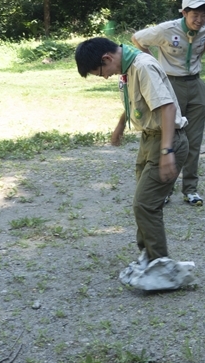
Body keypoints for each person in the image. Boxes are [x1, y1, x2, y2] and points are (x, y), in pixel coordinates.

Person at [75, 37, 189, 263]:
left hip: (166, 139)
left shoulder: (142, 66)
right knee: (143, 203)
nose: (106, 76)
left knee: (145, 205)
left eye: (102, 72)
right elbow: (138, 101)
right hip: (149, 139)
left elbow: (167, 107)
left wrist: (167, 151)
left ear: (106, 58)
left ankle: (160, 266)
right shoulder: (128, 68)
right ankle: (148, 256)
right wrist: (120, 125)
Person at [132, 0, 205, 206]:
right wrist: (153, 62)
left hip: (195, 85)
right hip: (171, 85)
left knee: (194, 140)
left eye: (203, 14)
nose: (200, 19)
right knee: (169, 138)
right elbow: (137, 39)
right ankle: (164, 188)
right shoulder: (167, 30)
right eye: (195, 14)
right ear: (184, 13)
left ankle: (190, 189)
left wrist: (194, 61)